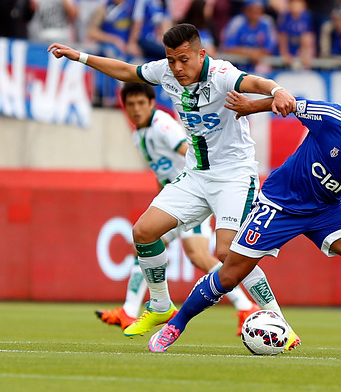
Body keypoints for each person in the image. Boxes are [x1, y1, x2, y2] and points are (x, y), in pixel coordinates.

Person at [48, 23, 300, 349]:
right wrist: (79, 56)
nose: (177, 68)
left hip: (234, 176)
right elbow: (126, 70)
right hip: (195, 175)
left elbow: (255, 82)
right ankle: (159, 304)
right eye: (171, 60)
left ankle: (278, 320)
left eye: (183, 59)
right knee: (143, 232)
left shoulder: (222, 74)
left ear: (201, 55)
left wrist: (277, 90)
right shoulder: (166, 73)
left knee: (228, 253)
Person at [147, 92, 341, 357]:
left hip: (326, 211)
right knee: (229, 273)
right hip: (281, 203)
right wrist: (248, 107)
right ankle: (175, 325)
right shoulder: (334, 120)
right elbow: (288, 103)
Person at [96, 82, 259, 335]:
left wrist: (196, 188)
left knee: (200, 255)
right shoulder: (138, 134)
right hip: (176, 200)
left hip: (192, 197)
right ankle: (128, 311)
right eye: (131, 104)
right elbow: (160, 173)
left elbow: (191, 152)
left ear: (152, 104)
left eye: (141, 103)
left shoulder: (163, 126)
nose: (136, 109)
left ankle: (245, 306)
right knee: (141, 244)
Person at [222, 0, 277, 67]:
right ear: (246, 10)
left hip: (260, 66)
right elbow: (228, 47)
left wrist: (257, 54)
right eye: (252, 9)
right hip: (236, 66)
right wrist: (250, 53)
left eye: (259, 9)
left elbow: (270, 48)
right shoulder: (236, 22)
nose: (255, 12)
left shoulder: (267, 22)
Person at [277, 0, 314, 69]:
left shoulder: (306, 17)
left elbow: (306, 37)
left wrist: (305, 54)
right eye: (294, 4)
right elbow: (282, 37)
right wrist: (284, 54)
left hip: (299, 48)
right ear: (289, 5)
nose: (296, 7)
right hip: (288, 47)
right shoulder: (284, 17)